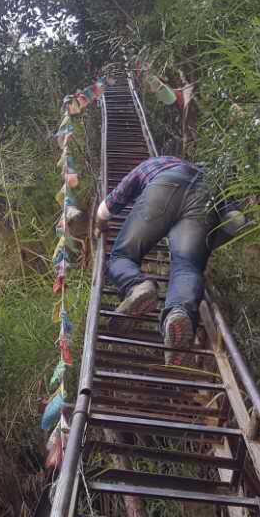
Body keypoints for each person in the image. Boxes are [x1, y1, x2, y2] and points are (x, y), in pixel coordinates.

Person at [95, 141, 246, 366]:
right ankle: (179, 313)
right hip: (205, 198)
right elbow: (236, 223)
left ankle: (138, 286)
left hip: (163, 185)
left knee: (122, 256)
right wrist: (204, 245)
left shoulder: (152, 164)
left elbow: (106, 209)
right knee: (187, 266)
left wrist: (100, 226)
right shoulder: (213, 178)